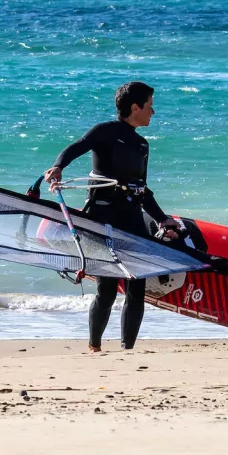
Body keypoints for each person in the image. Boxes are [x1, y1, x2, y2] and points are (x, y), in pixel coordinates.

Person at [44, 81, 180, 352]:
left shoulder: (142, 144)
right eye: (150, 106)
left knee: (136, 285)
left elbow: (142, 190)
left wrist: (162, 218)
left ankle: (127, 349)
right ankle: (95, 346)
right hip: (101, 218)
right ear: (135, 107)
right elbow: (76, 147)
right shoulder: (104, 132)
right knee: (106, 288)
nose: (153, 112)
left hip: (131, 219)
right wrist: (58, 167)